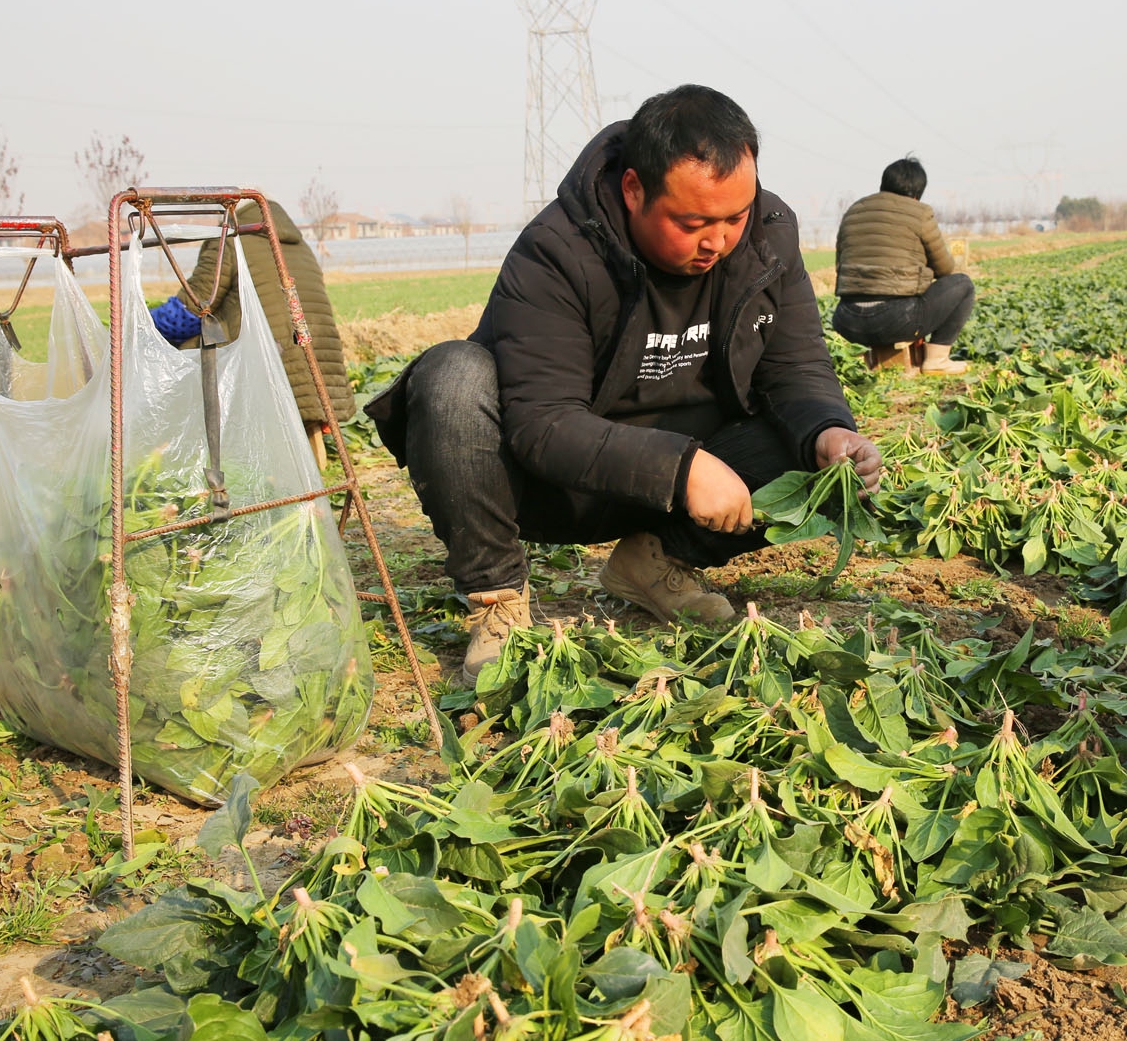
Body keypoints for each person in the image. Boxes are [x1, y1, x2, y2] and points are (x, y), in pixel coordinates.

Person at [365, 85, 881, 677]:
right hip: (552, 484)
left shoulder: (767, 235)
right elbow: (544, 423)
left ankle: (657, 560)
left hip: (685, 481)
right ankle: (498, 600)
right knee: (453, 377)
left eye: (734, 216)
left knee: (815, 447)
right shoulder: (558, 249)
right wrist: (682, 468)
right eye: (693, 222)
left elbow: (795, 367)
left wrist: (828, 430)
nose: (718, 240)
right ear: (634, 190)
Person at [149, 199, 354, 465]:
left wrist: (145, 325)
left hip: (270, 359)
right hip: (318, 362)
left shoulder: (230, 236)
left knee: (184, 354)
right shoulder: (297, 244)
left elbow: (193, 308)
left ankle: (178, 456)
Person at [829, 157, 975, 375]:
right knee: (963, 284)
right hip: (896, 320)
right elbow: (945, 269)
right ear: (917, 194)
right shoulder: (920, 212)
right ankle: (937, 360)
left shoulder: (854, 211)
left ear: (883, 184)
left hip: (847, 320)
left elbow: (841, 265)